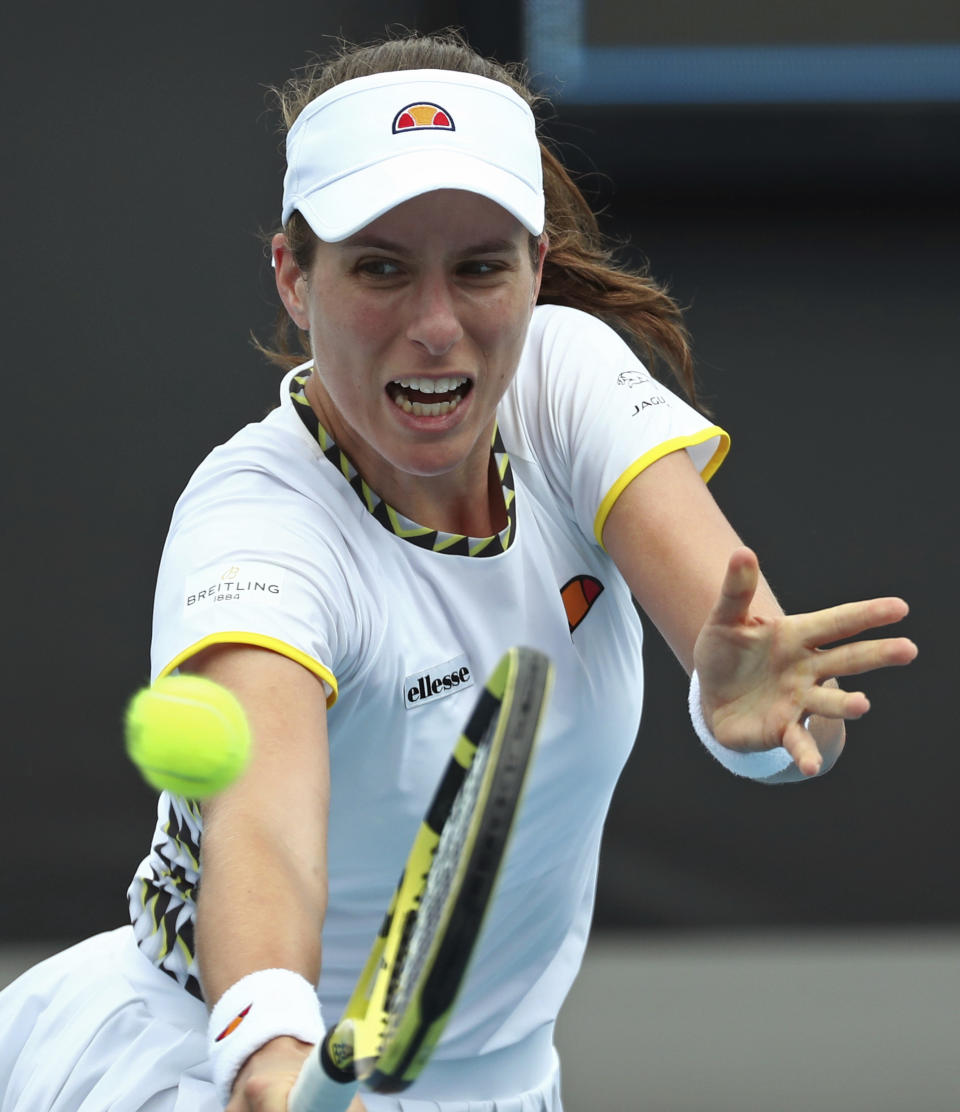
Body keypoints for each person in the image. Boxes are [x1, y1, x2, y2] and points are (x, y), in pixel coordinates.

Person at [0, 29, 916, 1112]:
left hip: (503, 1079)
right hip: (204, 1060)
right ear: (294, 277)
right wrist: (268, 1059)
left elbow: (764, 672)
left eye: (479, 266)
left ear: (535, 265)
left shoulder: (563, 376)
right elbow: (268, 831)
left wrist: (756, 724)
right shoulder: (256, 528)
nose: (436, 327)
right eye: (379, 268)